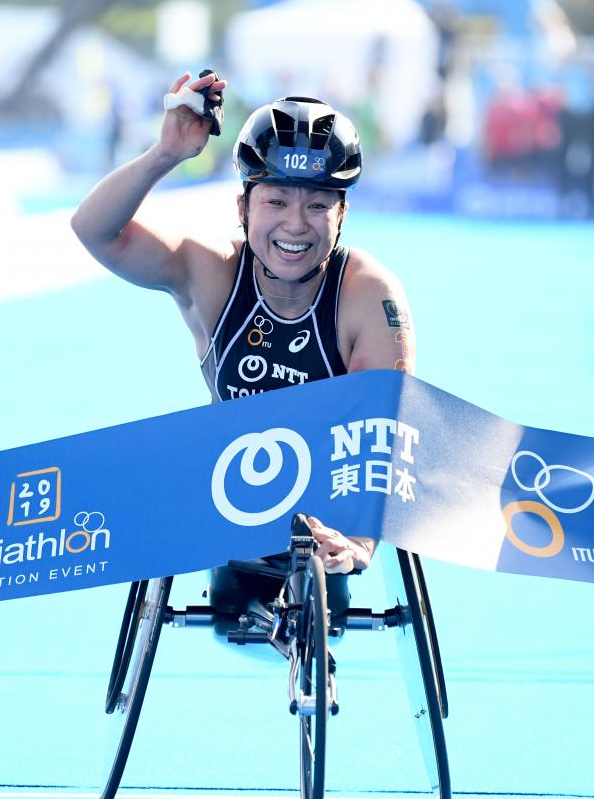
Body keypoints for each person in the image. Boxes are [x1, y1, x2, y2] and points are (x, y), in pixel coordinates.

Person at [70, 71, 416, 588]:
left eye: (318, 205)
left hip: (329, 530)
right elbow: (95, 230)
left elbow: (383, 434)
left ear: (341, 215)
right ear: (242, 207)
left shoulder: (368, 294)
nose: (296, 225)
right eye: (276, 201)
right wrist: (165, 153)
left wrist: (360, 542)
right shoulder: (211, 272)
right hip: (231, 514)